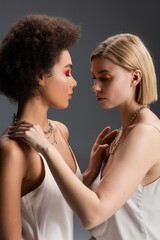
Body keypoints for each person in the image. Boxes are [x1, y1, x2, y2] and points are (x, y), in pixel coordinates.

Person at [8, 33, 160, 240]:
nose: (95, 87)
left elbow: (92, 216)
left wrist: (46, 148)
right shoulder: (124, 133)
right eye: (94, 78)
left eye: (105, 78)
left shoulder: (146, 134)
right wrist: (91, 173)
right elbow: (105, 225)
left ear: (135, 77)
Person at [0, 14, 83, 240]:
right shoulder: (12, 151)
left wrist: (92, 170)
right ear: (39, 76)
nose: (73, 81)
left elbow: (59, 201)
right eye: (67, 72)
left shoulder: (60, 131)